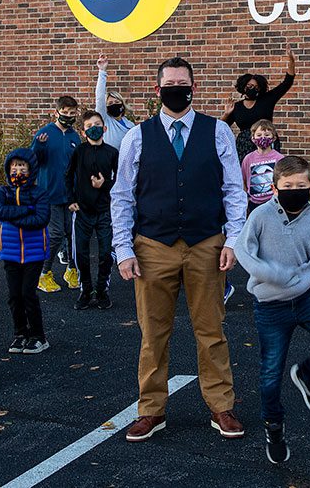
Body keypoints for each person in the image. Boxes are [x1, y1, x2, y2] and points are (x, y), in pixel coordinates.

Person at [111, 56, 247, 442]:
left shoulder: (218, 131)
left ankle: (221, 407)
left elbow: (233, 191)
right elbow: (122, 196)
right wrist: (123, 248)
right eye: (169, 83)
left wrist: (232, 240)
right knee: (153, 334)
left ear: (193, 87)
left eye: (182, 83)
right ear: (157, 90)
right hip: (153, 246)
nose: (176, 89)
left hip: (206, 244)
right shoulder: (136, 136)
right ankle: (151, 410)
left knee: (212, 330)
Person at [238, 156, 310, 464]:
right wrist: (273, 275)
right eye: (287, 186)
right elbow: (245, 252)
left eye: (301, 185)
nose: (294, 190)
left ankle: (309, 375)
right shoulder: (260, 217)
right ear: (275, 188)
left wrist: (295, 283)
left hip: (305, 298)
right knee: (271, 373)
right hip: (270, 306)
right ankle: (274, 428)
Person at [0, 148, 51, 355]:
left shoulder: (39, 193)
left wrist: (12, 218)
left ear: (31, 169)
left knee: (28, 294)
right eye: (14, 165)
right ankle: (20, 333)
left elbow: (40, 219)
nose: (17, 169)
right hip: (11, 252)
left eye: (22, 165)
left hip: (34, 253)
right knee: (14, 295)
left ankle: (38, 336)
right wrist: (26, 210)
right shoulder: (3, 192)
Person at [66, 110, 118, 311]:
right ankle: (85, 290)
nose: (93, 128)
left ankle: (102, 290)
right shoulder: (79, 152)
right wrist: (70, 200)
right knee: (81, 253)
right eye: (89, 126)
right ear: (83, 132)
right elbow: (68, 176)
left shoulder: (112, 153)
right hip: (82, 211)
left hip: (105, 210)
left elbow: (120, 180)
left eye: (97, 124)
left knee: (106, 253)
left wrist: (104, 185)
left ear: (104, 128)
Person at [31, 95, 83, 293]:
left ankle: (71, 269)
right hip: (49, 194)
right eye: (65, 113)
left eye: (72, 113)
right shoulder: (44, 134)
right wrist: (39, 146)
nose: (69, 116)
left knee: (72, 234)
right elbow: (33, 161)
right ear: (57, 112)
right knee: (54, 235)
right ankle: (44, 274)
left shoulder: (73, 136)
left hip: (69, 195)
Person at [222, 45, 297, 162]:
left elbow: (287, 82)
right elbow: (222, 127)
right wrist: (226, 114)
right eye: (250, 86)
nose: (253, 89)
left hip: (266, 140)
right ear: (243, 87)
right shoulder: (237, 107)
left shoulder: (267, 100)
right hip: (244, 145)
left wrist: (291, 61)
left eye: (256, 87)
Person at [241, 119, 284, 215]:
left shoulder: (279, 158)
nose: (263, 138)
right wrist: (246, 200)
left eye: (267, 135)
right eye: (259, 135)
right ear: (253, 138)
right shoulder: (248, 159)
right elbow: (243, 180)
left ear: (273, 138)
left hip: (273, 202)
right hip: (254, 203)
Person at [95, 54, 136, 150]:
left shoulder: (130, 125)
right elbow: (100, 98)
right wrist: (102, 71)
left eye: (116, 101)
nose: (114, 105)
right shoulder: (104, 120)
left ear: (122, 104)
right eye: (110, 103)